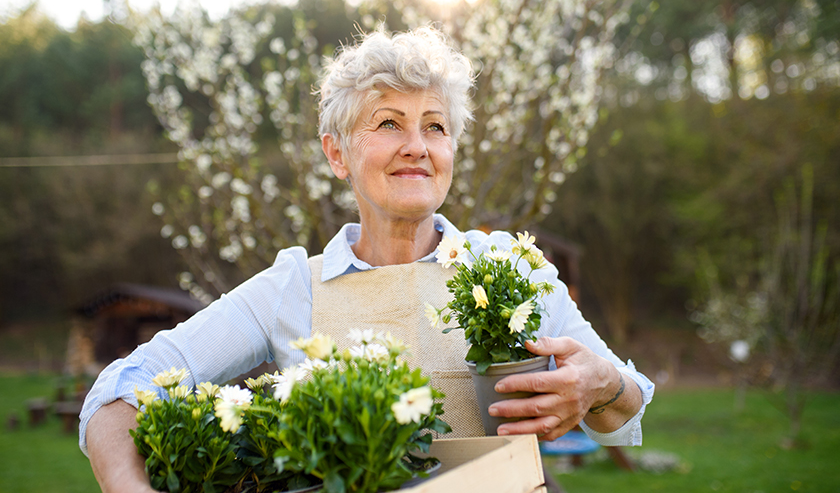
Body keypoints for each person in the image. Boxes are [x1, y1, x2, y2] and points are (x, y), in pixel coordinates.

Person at [81, 26, 654, 492]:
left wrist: (601, 385)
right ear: (337, 153)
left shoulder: (507, 268)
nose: (418, 146)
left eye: (435, 126)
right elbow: (116, 392)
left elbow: (625, 409)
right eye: (388, 124)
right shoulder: (294, 288)